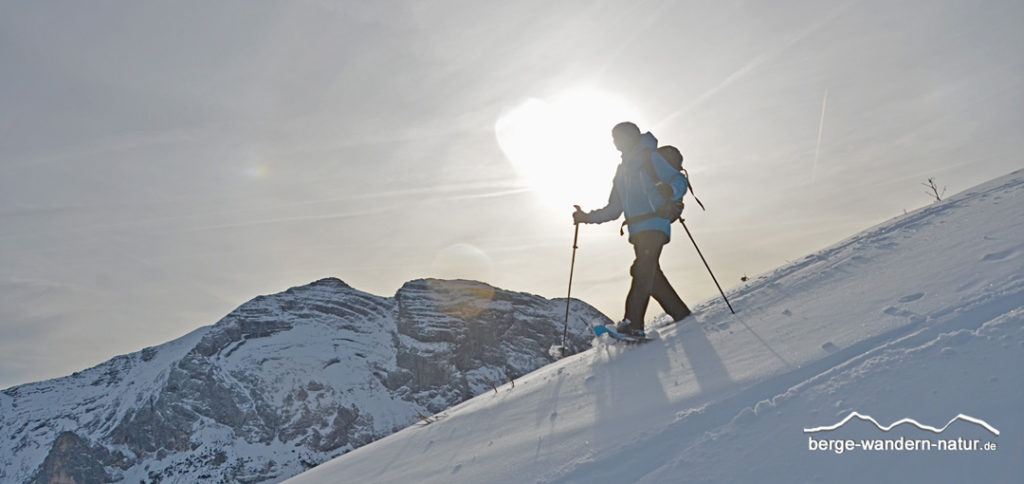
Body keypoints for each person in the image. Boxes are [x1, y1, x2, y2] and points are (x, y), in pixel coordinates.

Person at [573, 122, 691, 336]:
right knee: (651, 275)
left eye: (618, 137)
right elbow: (614, 209)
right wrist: (586, 217)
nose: (615, 142)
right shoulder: (622, 171)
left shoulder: (651, 157)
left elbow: (678, 179)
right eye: (614, 138)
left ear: (631, 136)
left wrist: (671, 190)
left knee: (642, 269)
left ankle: (633, 325)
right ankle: (681, 314)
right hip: (636, 231)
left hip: (655, 223)